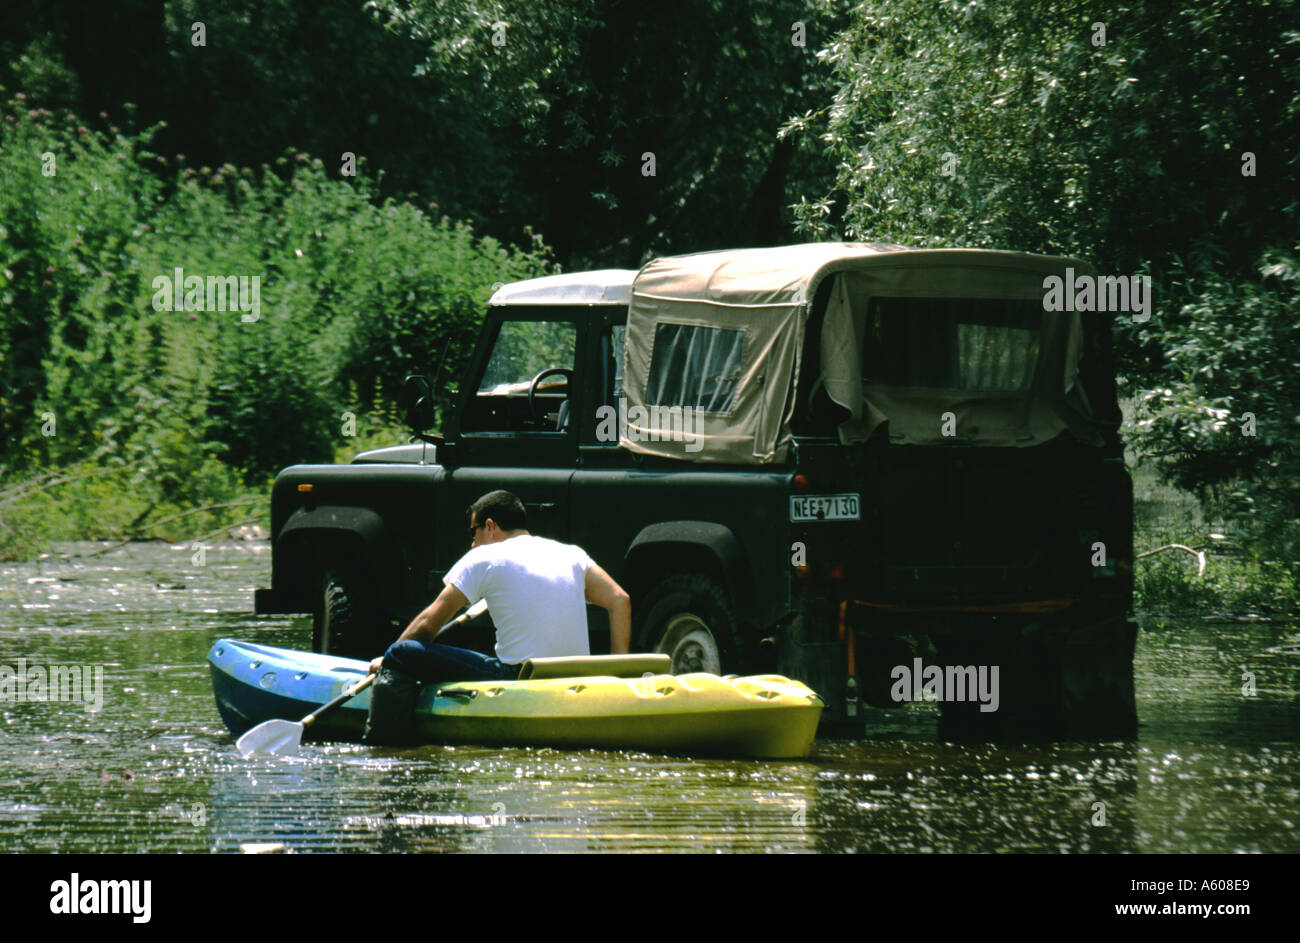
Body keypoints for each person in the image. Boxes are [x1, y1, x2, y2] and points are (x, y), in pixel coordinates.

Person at [363, 489, 631, 743]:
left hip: (519, 677)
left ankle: (384, 751)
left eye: (473, 531)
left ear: (489, 526)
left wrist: (388, 658)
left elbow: (427, 624)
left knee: (402, 652)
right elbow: (620, 600)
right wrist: (617, 673)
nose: (472, 542)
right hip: (577, 677)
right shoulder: (572, 554)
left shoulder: (484, 556)